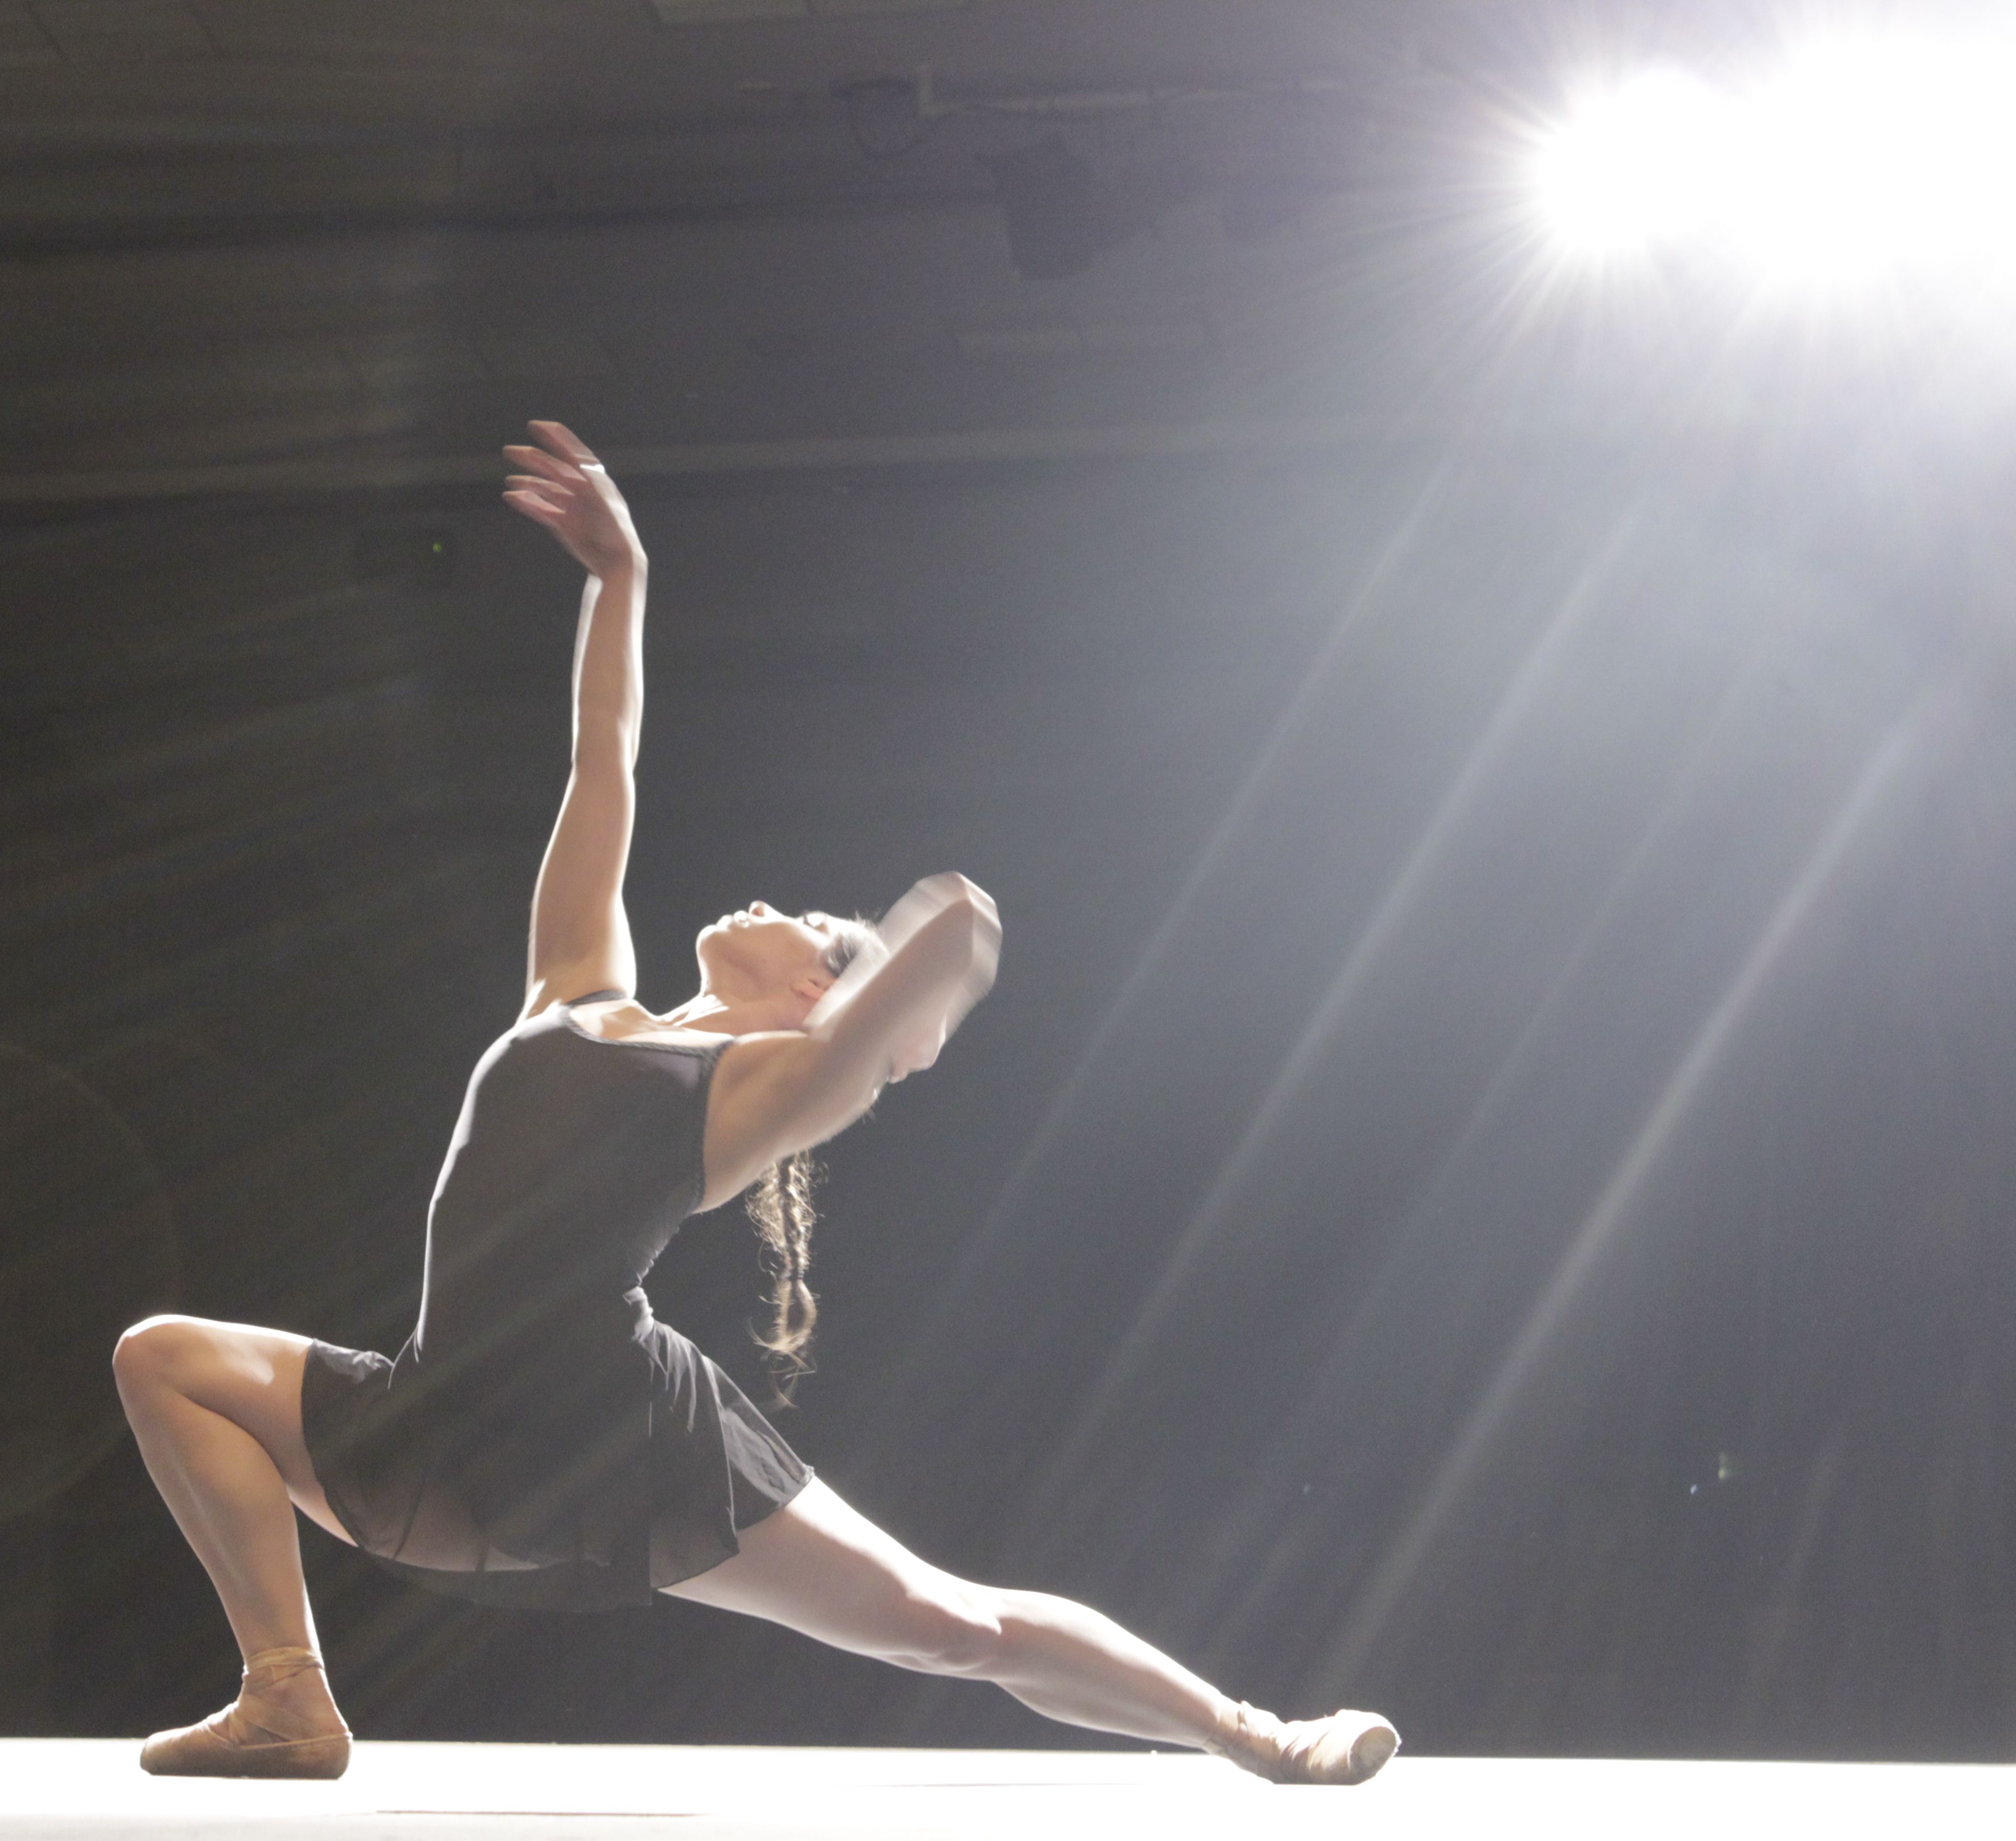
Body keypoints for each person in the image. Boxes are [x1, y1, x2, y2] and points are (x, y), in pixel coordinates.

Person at [110, 421, 1398, 1787]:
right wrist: (625, 580)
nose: (770, 904)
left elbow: (950, 945)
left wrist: (904, 1002)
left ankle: (1259, 1735)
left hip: (625, 1434)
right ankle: (288, 1696)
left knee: (943, 1626)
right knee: (163, 1360)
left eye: (809, 925)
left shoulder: (752, 1090)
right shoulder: (573, 987)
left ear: (809, 1002)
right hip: (443, 1422)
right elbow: (601, 763)